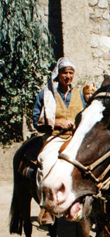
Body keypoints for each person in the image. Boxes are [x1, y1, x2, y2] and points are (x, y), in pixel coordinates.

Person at [31, 57, 86, 225]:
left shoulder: (78, 94)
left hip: (75, 138)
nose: (67, 76)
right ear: (58, 74)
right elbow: (36, 120)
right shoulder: (46, 93)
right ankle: (47, 207)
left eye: (70, 73)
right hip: (55, 137)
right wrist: (56, 123)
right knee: (46, 162)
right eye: (64, 73)